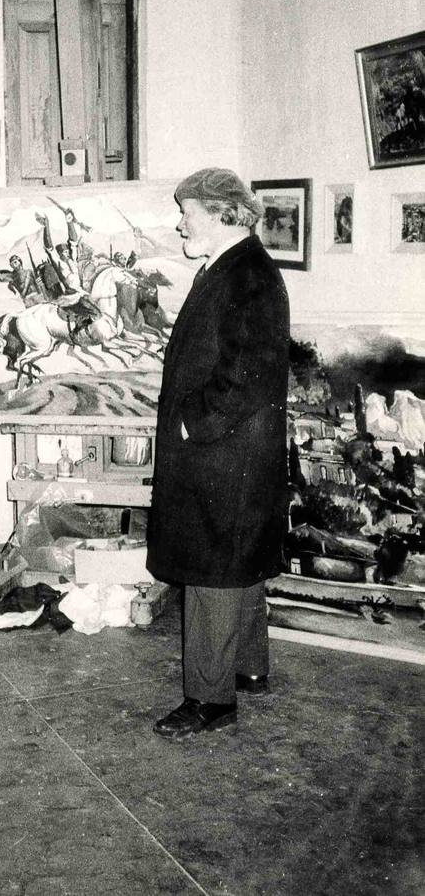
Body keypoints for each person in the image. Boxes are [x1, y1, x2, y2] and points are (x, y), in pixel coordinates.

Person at [146, 167, 290, 740]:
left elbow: (245, 375)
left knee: (213, 568)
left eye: (188, 213)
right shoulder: (236, 267)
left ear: (221, 213)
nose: (181, 224)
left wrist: (191, 424)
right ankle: (248, 667)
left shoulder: (245, 275)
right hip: (234, 453)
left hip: (223, 453)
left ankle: (210, 699)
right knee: (239, 560)